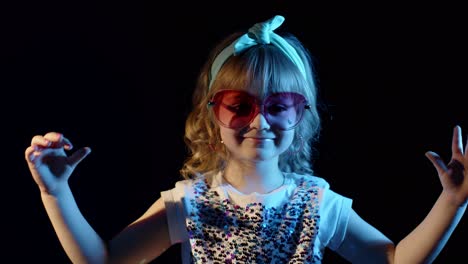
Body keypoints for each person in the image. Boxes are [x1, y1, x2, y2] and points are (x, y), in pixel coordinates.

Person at [25, 15, 467, 264]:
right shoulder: (190, 202)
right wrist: (55, 193)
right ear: (212, 115)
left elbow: (393, 262)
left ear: (301, 114)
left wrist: (452, 203)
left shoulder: (316, 202)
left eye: (279, 105)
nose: (259, 121)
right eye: (241, 104)